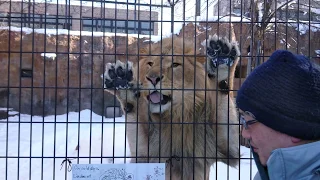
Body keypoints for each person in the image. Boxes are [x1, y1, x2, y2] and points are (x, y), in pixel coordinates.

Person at [235, 50, 320, 180]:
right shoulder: (273, 171)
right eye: (243, 120)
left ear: (293, 129)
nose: (244, 133)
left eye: (249, 122)